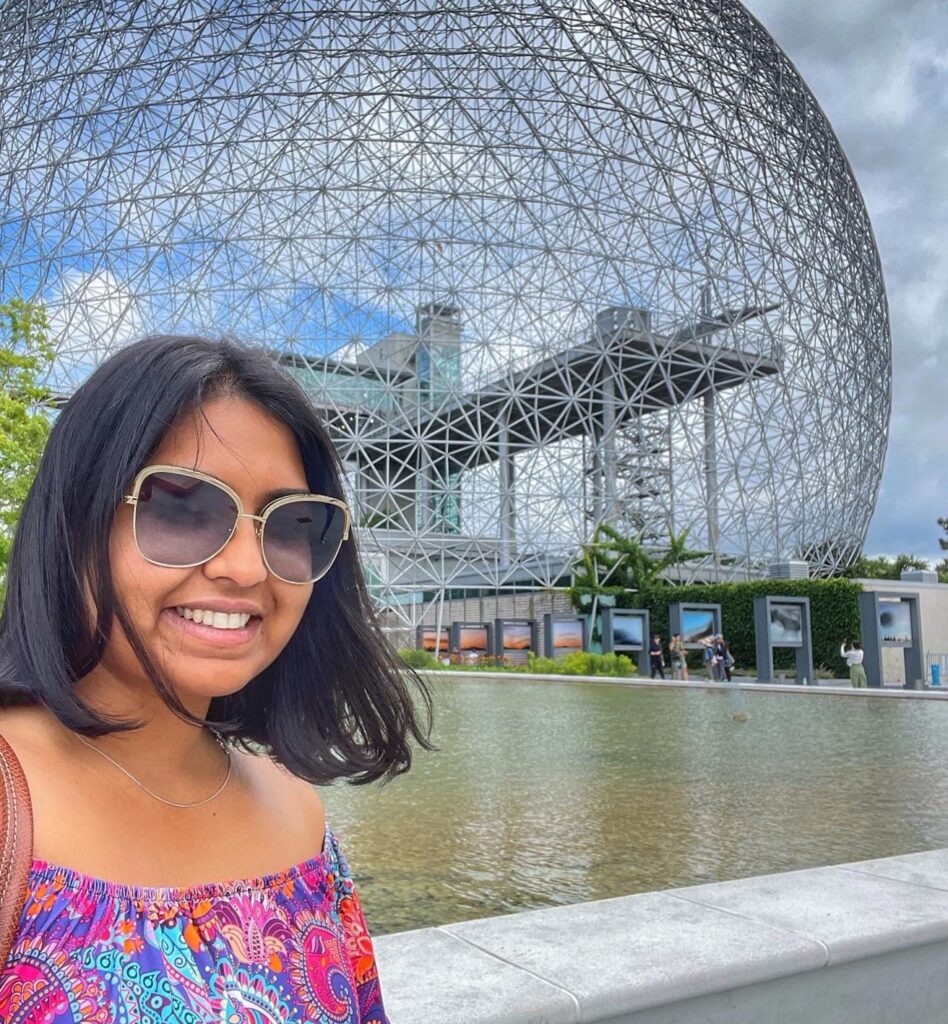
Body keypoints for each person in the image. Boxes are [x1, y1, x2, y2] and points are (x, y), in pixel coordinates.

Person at [0, 335, 434, 1022]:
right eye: (181, 505)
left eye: (292, 523)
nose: (247, 567)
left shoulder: (300, 817)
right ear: (75, 521)